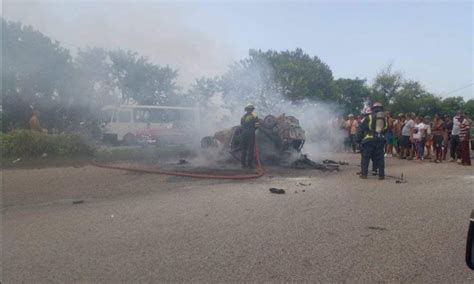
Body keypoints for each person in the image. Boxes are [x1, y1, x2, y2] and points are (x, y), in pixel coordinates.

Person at [357, 102, 387, 180]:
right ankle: (381, 175)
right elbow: (386, 129)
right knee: (380, 159)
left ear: (372, 109)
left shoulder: (368, 117)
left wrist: (358, 140)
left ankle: (364, 174)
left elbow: (360, 129)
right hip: (380, 140)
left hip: (369, 140)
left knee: (365, 158)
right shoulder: (384, 118)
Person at [240, 104, 259, 168]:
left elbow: (241, 124)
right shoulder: (254, 116)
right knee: (250, 149)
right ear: (252, 109)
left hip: (243, 134)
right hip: (251, 134)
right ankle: (250, 165)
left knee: (244, 149)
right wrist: (253, 130)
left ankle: (243, 164)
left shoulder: (243, 116)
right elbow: (257, 126)